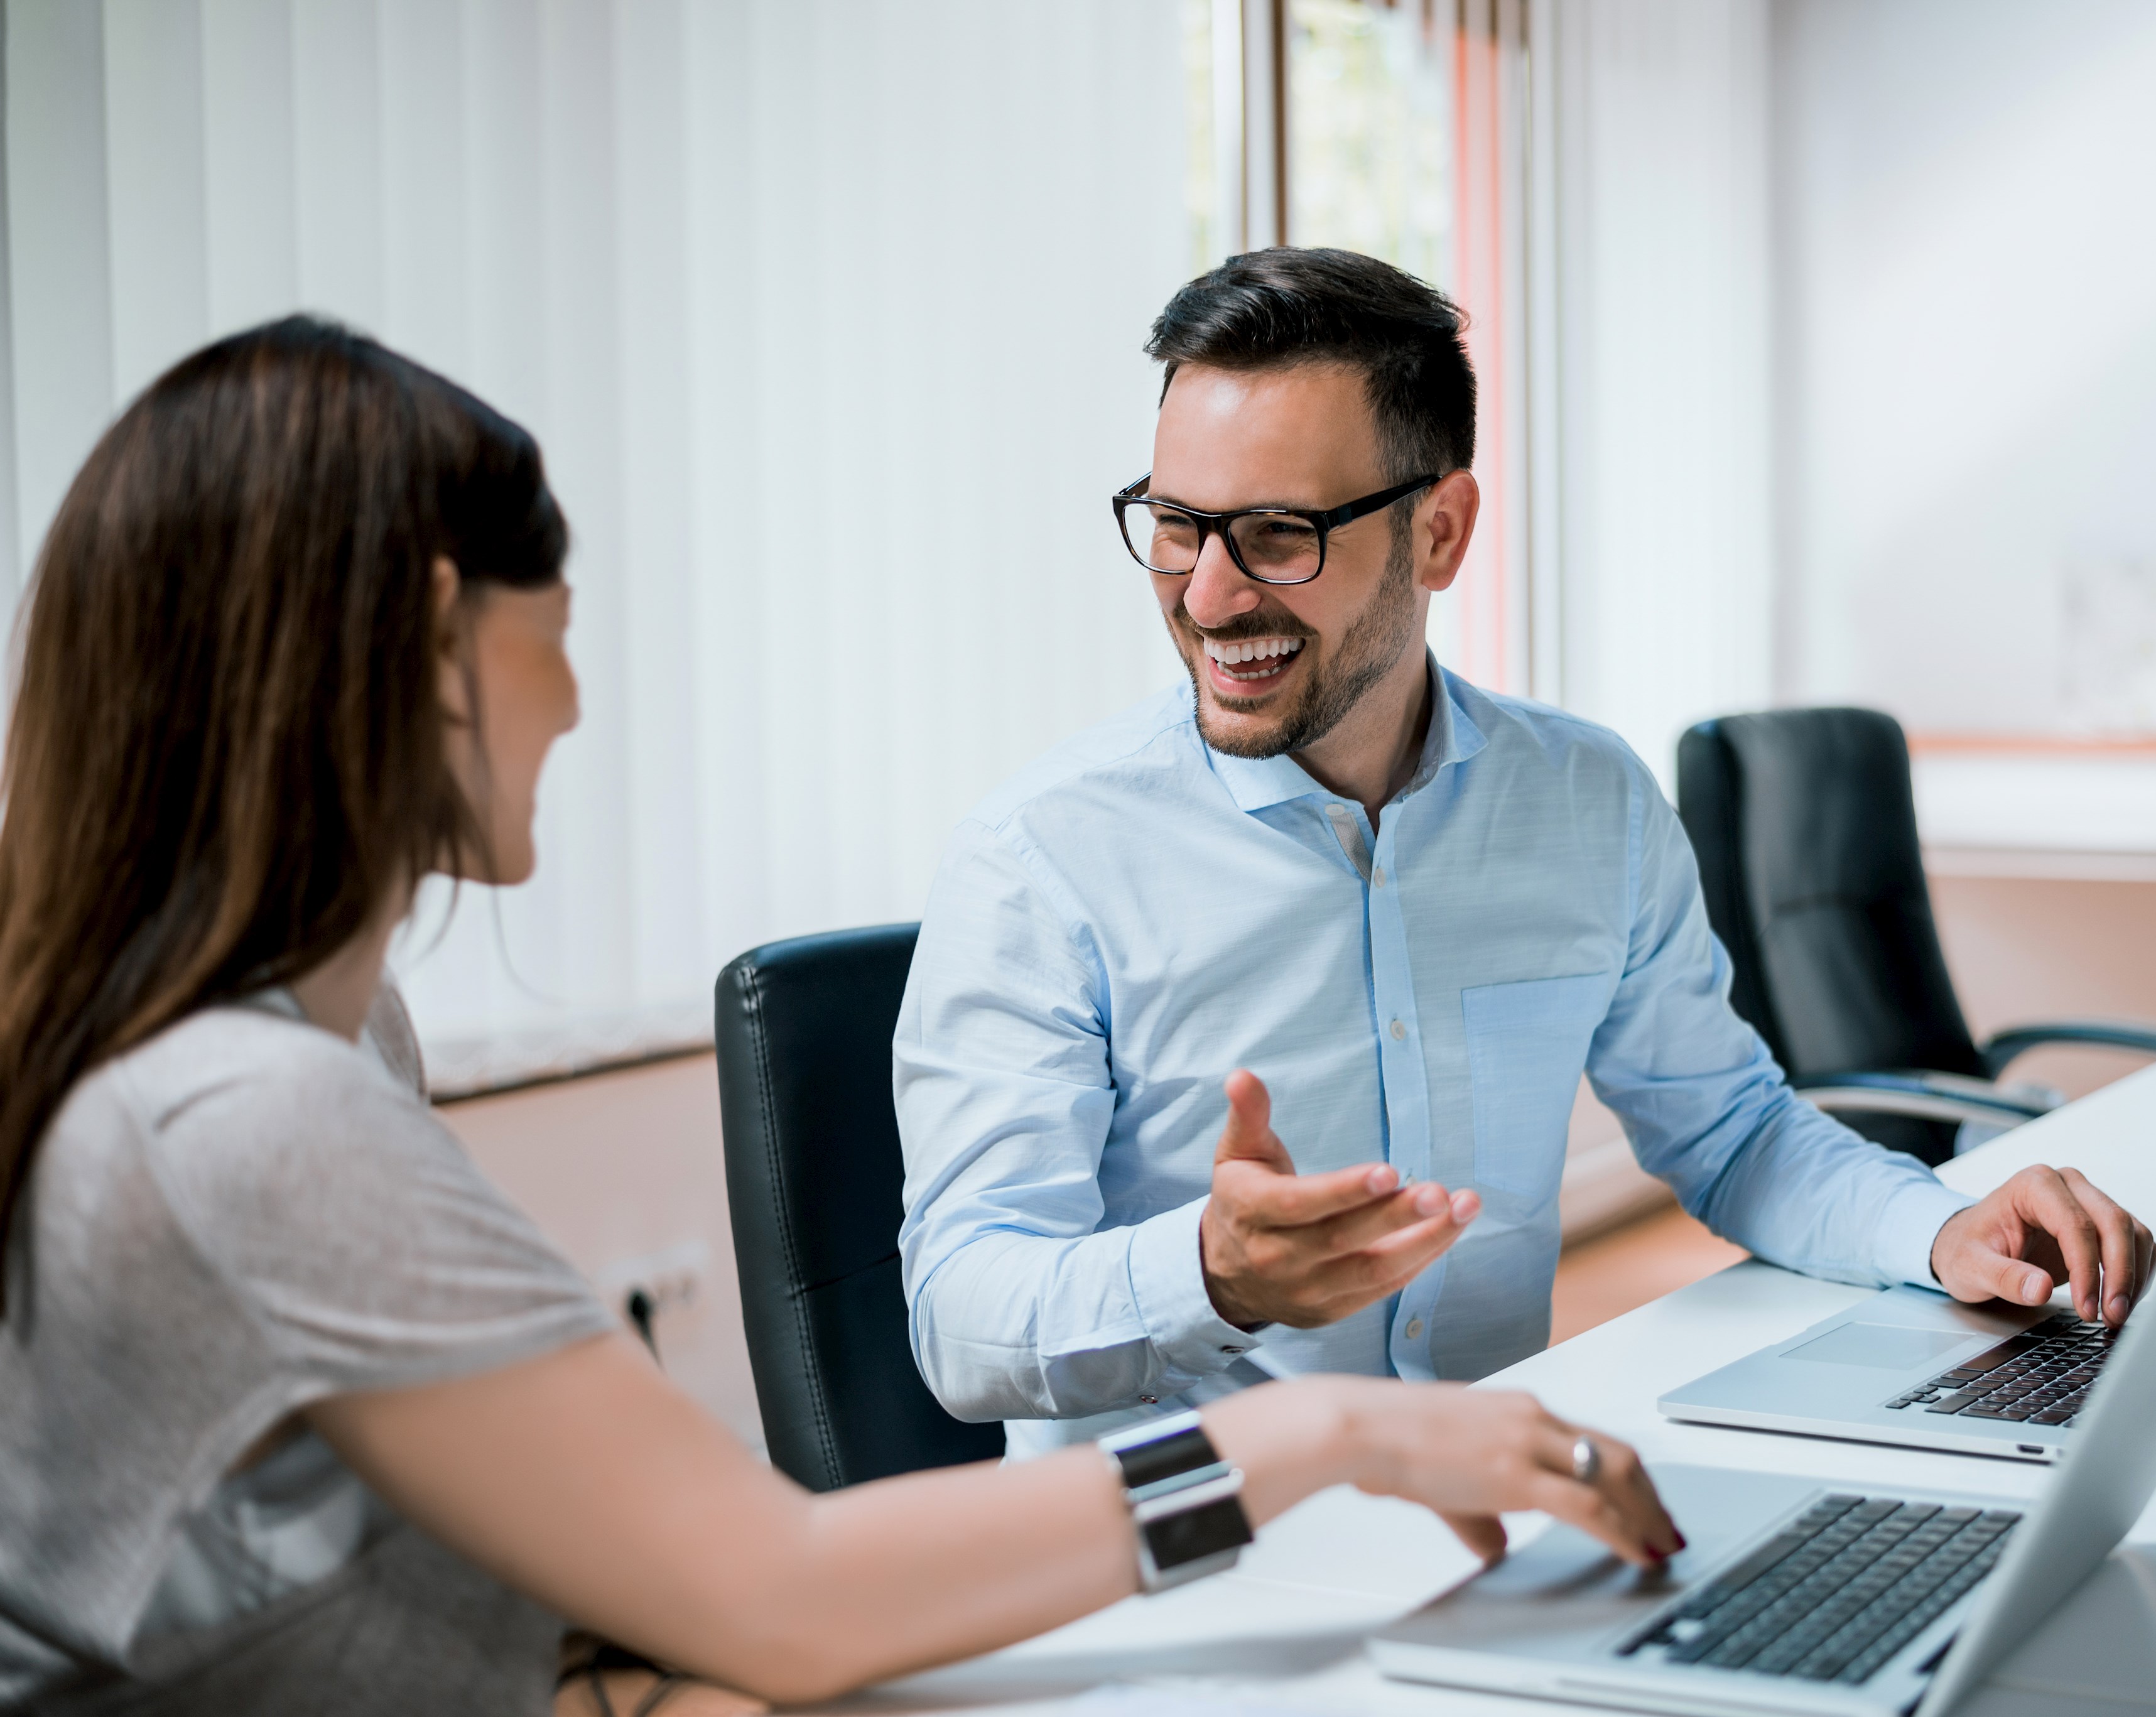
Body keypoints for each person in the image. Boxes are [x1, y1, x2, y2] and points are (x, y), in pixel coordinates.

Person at [0, 318, 1677, 1717]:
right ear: (434, 646)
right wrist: (1329, 1424)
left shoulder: (312, 1048)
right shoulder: (247, 1116)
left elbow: (508, 1553)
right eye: (557, 641)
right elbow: (782, 1587)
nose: (575, 705)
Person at [895, 247, 2156, 1460]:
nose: (1210, 595)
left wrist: (1936, 1227)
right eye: (1177, 523)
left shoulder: (1583, 802)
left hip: (1485, 1497)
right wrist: (1208, 1274)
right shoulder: (1040, 860)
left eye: (1277, 532)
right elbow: (958, 1315)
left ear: (1439, 531)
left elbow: (1728, 1130)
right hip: (1185, 1552)